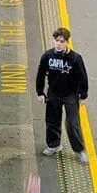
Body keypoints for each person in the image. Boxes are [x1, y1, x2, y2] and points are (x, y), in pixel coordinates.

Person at [36, 27, 89, 164]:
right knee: (52, 121)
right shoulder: (47, 56)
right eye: (56, 40)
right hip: (53, 94)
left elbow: (83, 77)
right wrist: (40, 92)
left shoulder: (75, 58)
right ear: (53, 41)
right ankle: (54, 145)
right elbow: (40, 75)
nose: (58, 43)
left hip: (71, 95)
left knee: (73, 123)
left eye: (62, 41)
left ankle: (79, 150)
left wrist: (83, 95)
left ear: (67, 42)